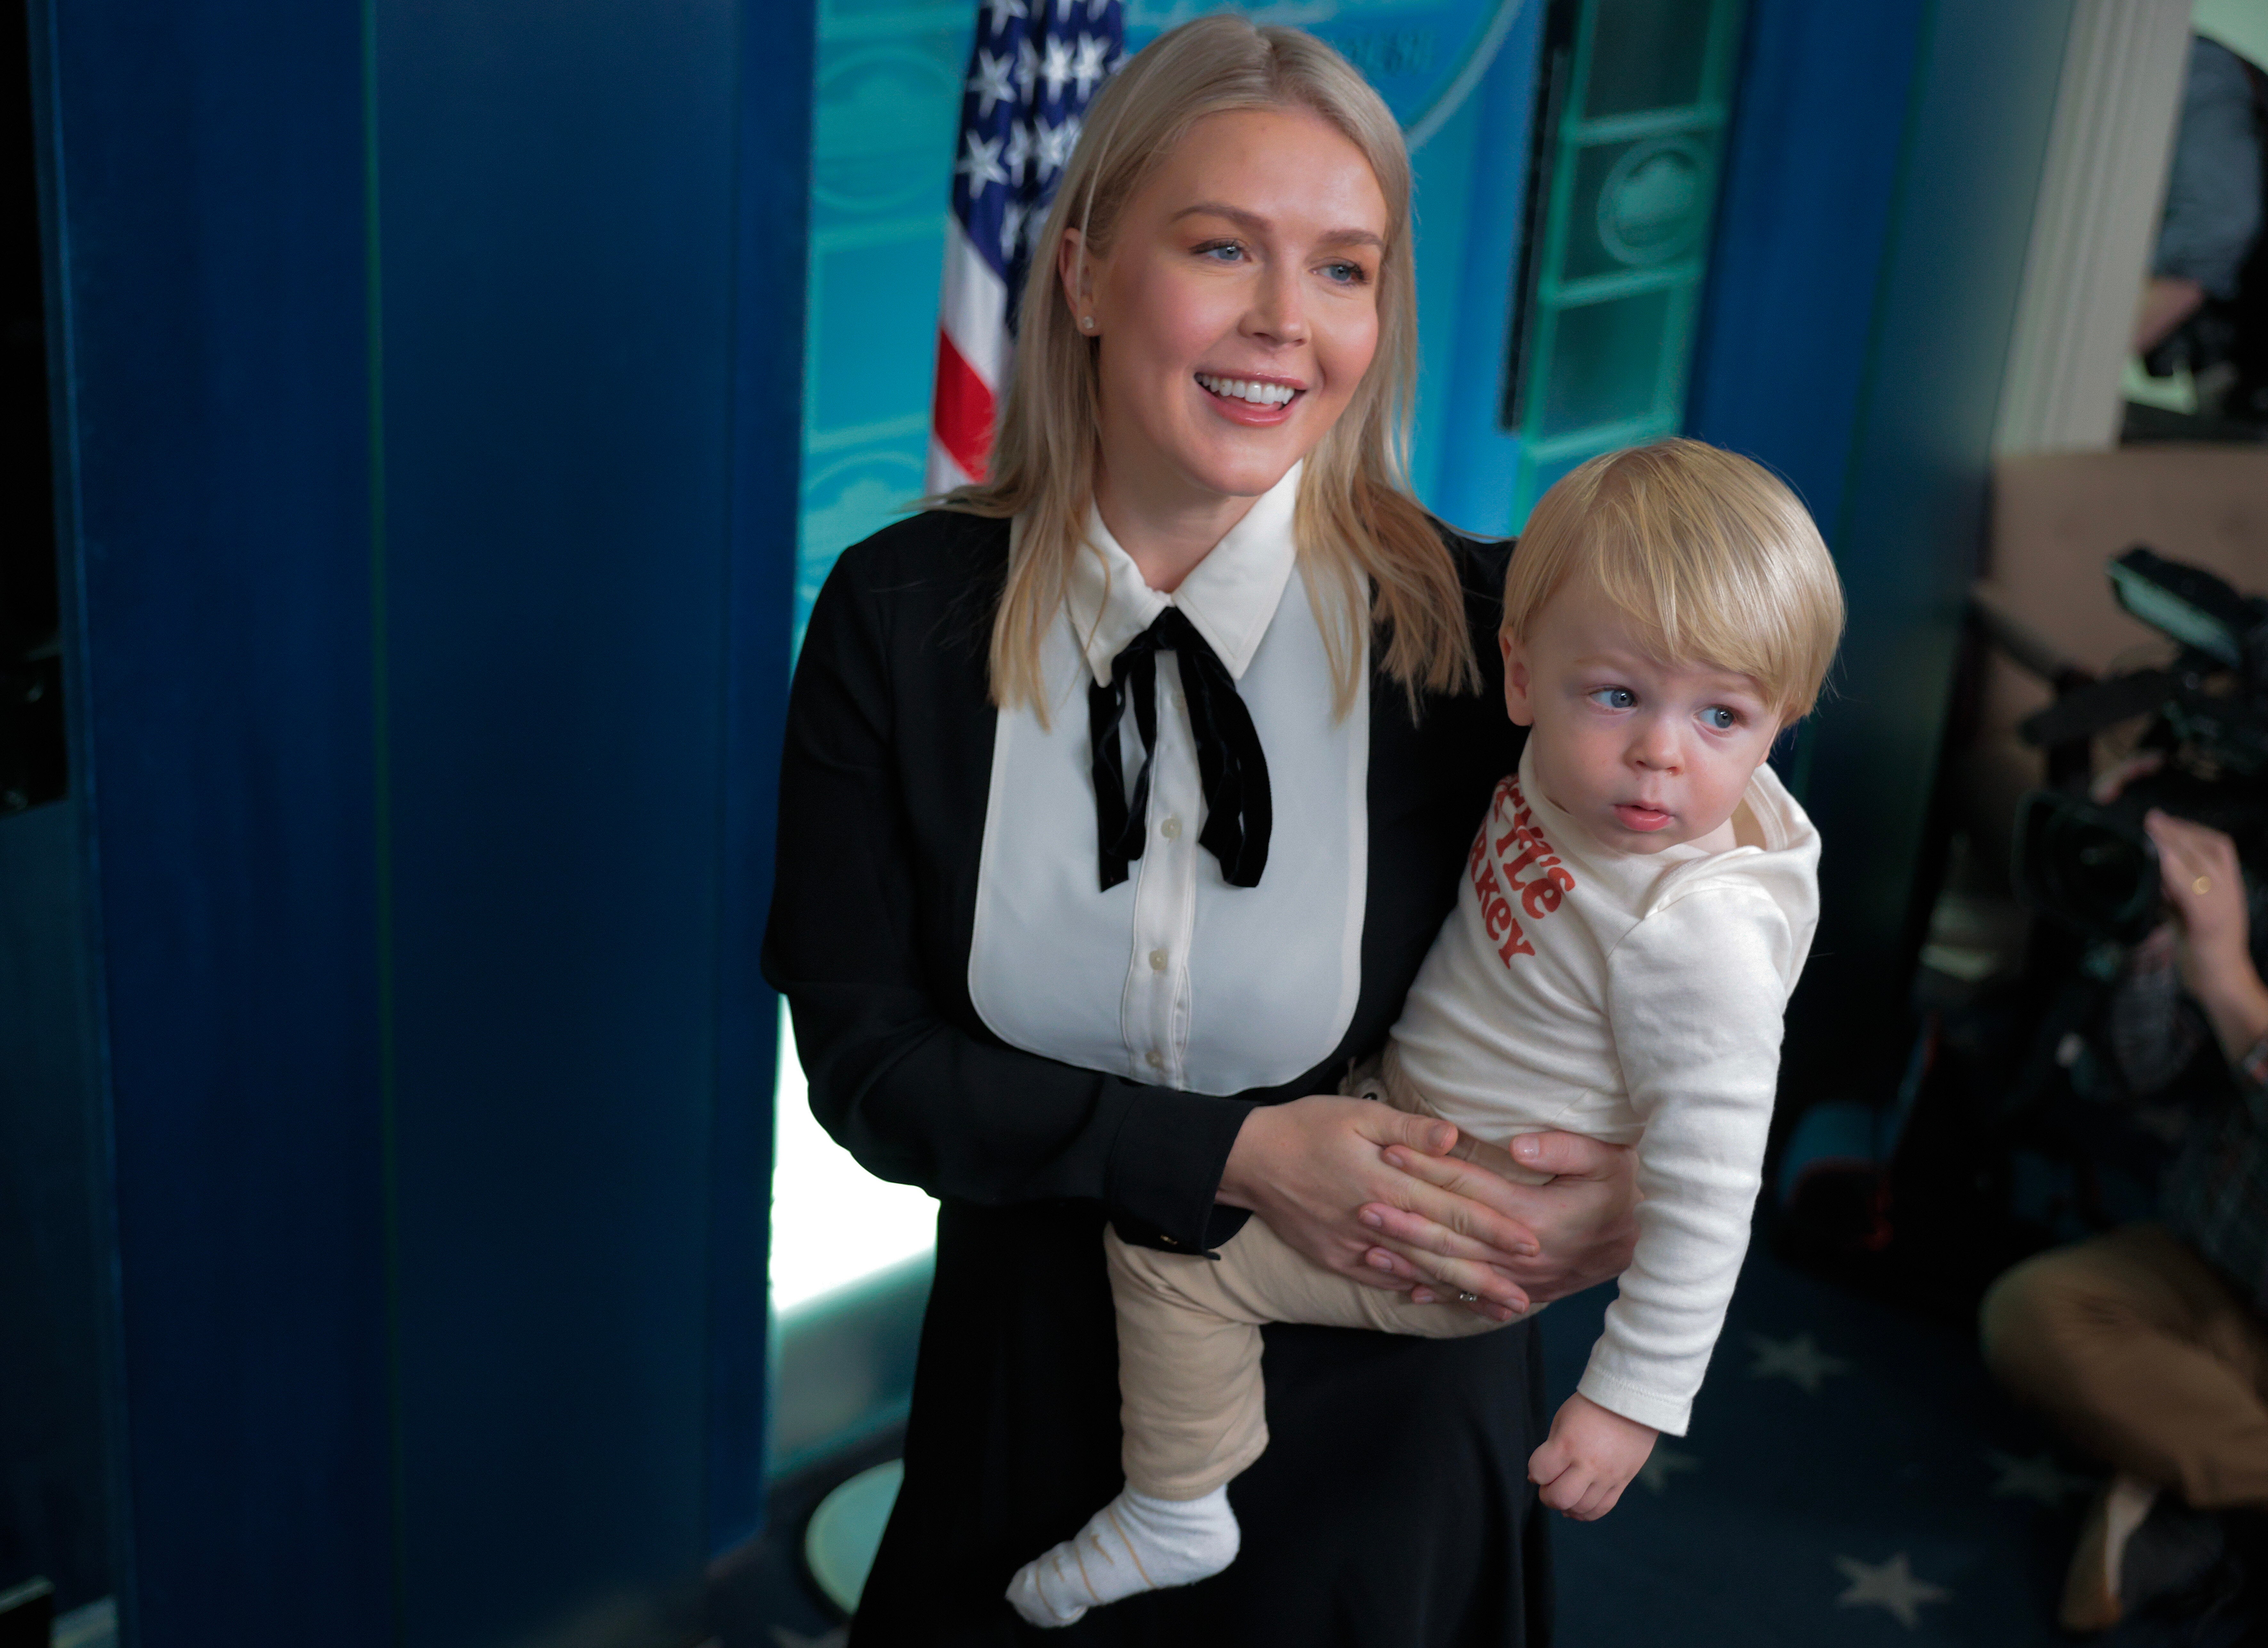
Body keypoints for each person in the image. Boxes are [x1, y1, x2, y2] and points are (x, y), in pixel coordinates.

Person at [762, 16, 1644, 1645]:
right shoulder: (898, 614)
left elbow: (1726, 921)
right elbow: (869, 1070)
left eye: (1343, 269)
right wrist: (1231, 1155)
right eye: (1222, 247)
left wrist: (1641, 1193)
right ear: (1088, 274)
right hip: (1027, 1398)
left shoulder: (1497, 632)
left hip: (1384, 1421)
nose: (1280, 325)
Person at [1007, 440, 1844, 1628]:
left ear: (1779, 725)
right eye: (1617, 695)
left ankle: (1177, 1498)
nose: (1661, 751)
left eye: (1722, 715)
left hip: (1467, 1221)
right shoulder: (1581, 779)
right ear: (1519, 677)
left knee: (1167, 1259)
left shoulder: (1692, 931)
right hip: (1405, 1105)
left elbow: (1712, 1186)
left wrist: (1632, 1396)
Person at [1982, 805, 2268, 1632]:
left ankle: (2192, 1468)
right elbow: (2136, 1075)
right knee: (2034, 1312)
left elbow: (2223, 988)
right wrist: (2147, 905)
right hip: (2212, 1278)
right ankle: (2203, 1469)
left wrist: (2227, 981)